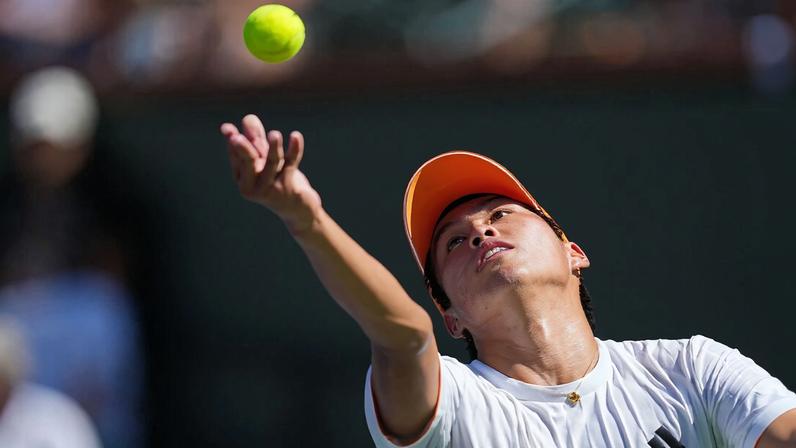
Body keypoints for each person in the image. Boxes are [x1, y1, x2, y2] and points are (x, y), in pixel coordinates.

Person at [220, 114, 796, 447]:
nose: (479, 233)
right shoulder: (456, 403)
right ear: (451, 315)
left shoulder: (692, 370)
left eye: (500, 214)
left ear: (574, 253)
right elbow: (401, 335)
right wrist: (308, 220)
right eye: (452, 241)